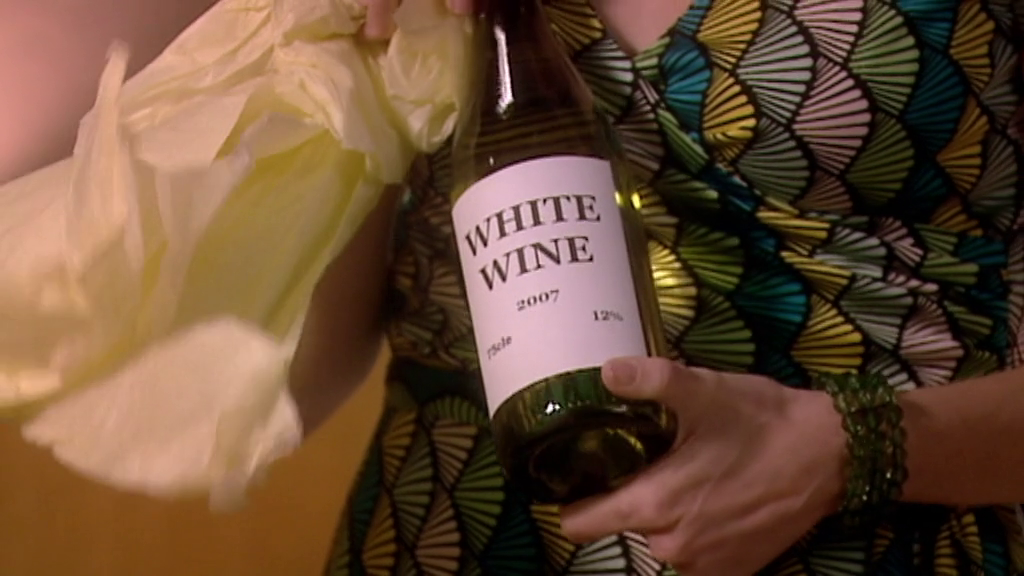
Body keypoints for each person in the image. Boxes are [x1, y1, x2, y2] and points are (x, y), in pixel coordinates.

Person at [4, 0, 1024, 574]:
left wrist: (857, 447)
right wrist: (299, 52)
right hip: (450, 538)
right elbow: (295, 384)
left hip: (887, 540)